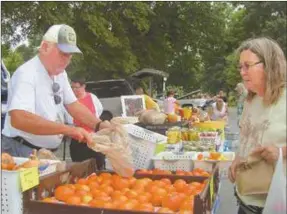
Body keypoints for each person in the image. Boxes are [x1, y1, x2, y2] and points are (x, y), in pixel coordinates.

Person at [1, 24, 111, 158]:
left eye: (70, 55)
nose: (67, 60)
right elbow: (19, 118)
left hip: (44, 152)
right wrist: (69, 130)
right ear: (45, 47)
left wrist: (99, 125)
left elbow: (73, 105)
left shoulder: (60, 74)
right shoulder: (27, 74)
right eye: (63, 54)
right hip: (22, 150)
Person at [228, 37, 287, 214]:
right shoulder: (250, 99)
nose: (242, 72)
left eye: (248, 65)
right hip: (245, 200)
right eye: (240, 67)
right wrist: (238, 158)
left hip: (275, 204)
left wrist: (281, 152)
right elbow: (247, 136)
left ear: (269, 65)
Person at [64, 77, 106, 169]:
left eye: (77, 87)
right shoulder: (69, 100)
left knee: (97, 164)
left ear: (84, 86)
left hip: (93, 138)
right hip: (78, 139)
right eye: (72, 87)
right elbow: (67, 118)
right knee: (79, 166)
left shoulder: (92, 97)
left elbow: (98, 113)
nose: (74, 90)